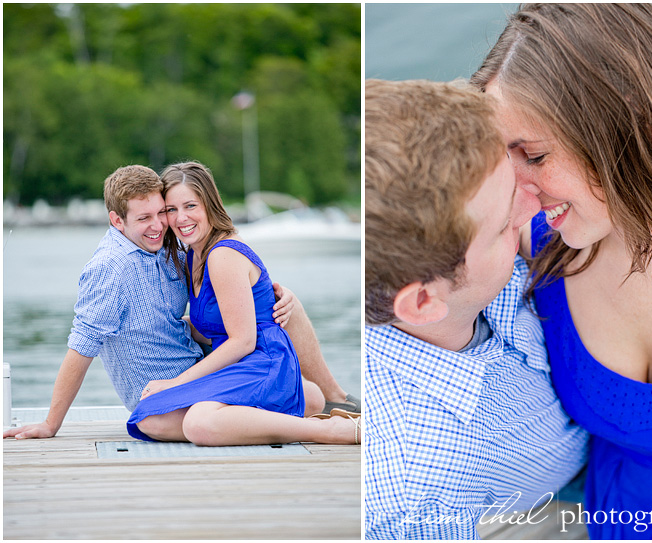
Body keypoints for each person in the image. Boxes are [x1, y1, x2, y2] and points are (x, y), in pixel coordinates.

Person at [471, 3, 652, 539]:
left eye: (534, 157)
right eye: (503, 157)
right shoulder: (537, 244)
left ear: (631, 122)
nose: (516, 190)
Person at [364, 79, 588, 539]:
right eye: (507, 220)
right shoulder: (411, 489)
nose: (535, 200)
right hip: (529, 513)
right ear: (424, 300)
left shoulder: (464, 273)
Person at [4, 164, 359, 442]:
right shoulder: (120, 266)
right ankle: (331, 406)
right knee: (302, 399)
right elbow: (81, 346)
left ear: (207, 204)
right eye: (148, 217)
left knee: (202, 421)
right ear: (117, 220)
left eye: (166, 211)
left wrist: (275, 298)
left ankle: (334, 414)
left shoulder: (184, 250)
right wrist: (52, 423)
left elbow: (237, 321)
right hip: (202, 373)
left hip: (224, 365)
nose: (162, 224)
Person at [126, 161, 360, 446]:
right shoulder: (193, 256)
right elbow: (214, 326)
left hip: (263, 359)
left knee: (199, 424)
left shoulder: (222, 254)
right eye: (171, 210)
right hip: (239, 364)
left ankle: (332, 431)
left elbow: (243, 341)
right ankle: (300, 404)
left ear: (210, 204)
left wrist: (177, 382)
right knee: (151, 419)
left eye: (190, 206)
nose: (180, 218)